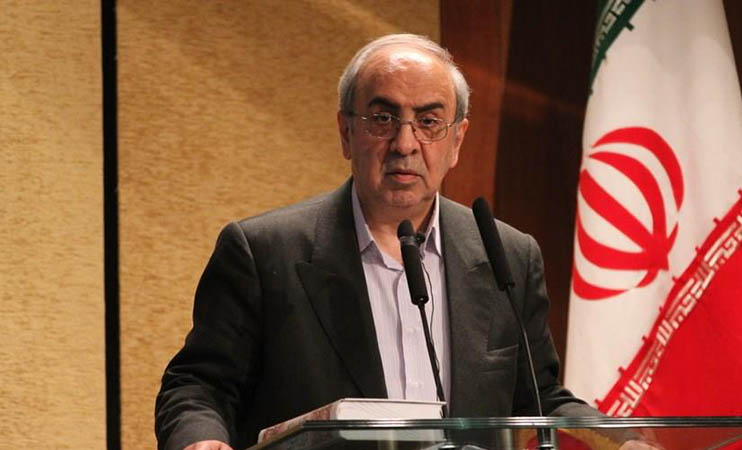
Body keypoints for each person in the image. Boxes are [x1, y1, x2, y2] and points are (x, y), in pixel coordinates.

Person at [156, 34, 651, 450]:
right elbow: (199, 387)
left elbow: (539, 399)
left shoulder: (508, 255)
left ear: (457, 141)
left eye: (429, 121)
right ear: (346, 132)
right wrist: (201, 440)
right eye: (383, 118)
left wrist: (620, 439)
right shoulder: (264, 251)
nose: (406, 144)